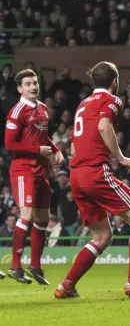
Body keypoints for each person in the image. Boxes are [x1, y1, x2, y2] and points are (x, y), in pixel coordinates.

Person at [54, 61, 130, 299]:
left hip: (76, 174)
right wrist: (121, 157)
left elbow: (74, 142)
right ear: (115, 81)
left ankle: (67, 285)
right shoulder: (112, 100)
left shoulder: (82, 105)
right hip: (95, 172)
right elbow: (104, 125)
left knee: (102, 237)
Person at [4, 69, 65, 285]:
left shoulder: (43, 108)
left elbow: (43, 136)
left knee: (43, 219)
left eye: (35, 83)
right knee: (26, 216)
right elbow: (10, 144)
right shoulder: (17, 112)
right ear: (20, 89)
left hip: (41, 171)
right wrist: (38, 150)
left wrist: (55, 149)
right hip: (23, 170)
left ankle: (36, 266)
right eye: (28, 84)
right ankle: (15, 266)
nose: (33, 87)